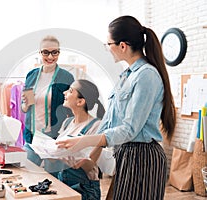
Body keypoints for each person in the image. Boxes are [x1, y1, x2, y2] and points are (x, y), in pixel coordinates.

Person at [56, 15, 176, 200]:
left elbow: (130, 129)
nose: (107, 49)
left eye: (108, 44)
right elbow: (109, 123)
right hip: (126, 155)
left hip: (142, 157)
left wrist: (84, 141)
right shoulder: (126, 76)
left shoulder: (146, 76)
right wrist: (91, 156)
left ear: (122, 46)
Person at [21, 35, 75, 173]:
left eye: (54, 52)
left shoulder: (66, 77)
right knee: (28, 174)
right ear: (39, 52)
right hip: (32, 136)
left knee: (55, 179)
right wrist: (26, 104)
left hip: (54, 138)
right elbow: (24, 108)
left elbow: (71, 111)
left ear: (59, 52)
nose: (50, 57)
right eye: (46, 52)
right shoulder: (31, 75)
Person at [56, 79, 105, 200]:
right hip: (63, 182)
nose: (64, 93)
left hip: (85, 189)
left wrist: (76, 160)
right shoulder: (67, 122)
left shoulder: (97, 126)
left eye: (70, 91)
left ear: (80, 101)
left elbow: (89, 165)